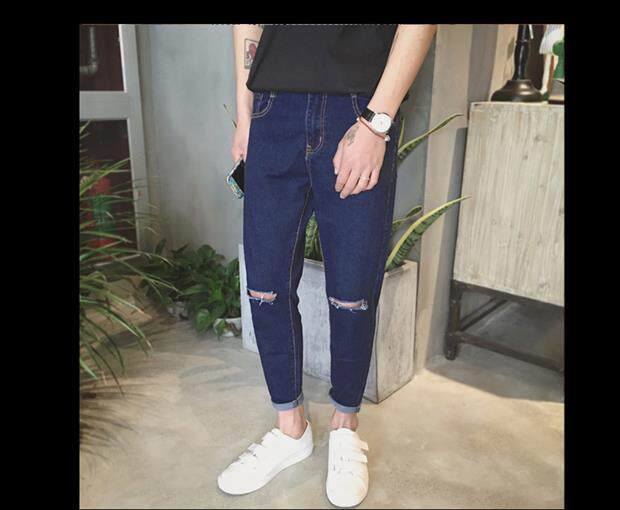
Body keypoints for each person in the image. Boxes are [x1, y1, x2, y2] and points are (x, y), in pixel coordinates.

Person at [219, 24, 436, 507]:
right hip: (272, 109)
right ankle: (290, 428)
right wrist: (246, 113)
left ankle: (345, 424)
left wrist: (376, 123)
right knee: (264, 287)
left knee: (352, 292)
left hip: (356, 109)